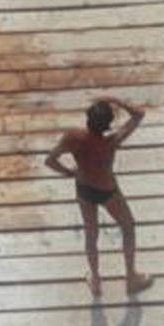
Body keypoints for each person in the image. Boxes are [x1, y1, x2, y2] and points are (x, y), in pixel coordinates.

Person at [45, 97, 154, 300]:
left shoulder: (73, 137)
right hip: (107, 191)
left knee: (91, 234)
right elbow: (139, 115)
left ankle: (95, 280)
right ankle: (131, 277)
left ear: (87, 120)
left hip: (84, 189)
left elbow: (50, 161)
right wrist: (116, 100)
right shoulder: (112, 141)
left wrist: (70, 173)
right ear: (107, 125)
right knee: (128, 227)